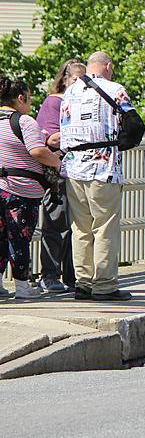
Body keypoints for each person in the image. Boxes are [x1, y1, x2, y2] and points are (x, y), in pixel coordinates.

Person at [59, 51, 134, 301]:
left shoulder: (70, 91)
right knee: (104, 226)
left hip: (73, 167)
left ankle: (83, 283)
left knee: (80, 227)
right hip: (103, 168)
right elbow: (134, 124)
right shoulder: (114, 89)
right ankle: (104, 285)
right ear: (108, 66)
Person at [0, 75, 63, 299]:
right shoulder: (25, 121)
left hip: (1, 187)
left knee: (1, 237)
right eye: (29, 98)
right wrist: (56, 161)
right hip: (21, 190)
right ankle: (22, 287)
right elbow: (37, 151)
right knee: (20, 237)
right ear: (20, 97)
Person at [35, 59, 85, 293]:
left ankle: (72, 276)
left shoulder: (83, 101)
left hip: (79, 169)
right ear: (65, 79)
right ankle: (50, 275)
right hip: (58, 171)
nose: (80, 84)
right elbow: (49, 138)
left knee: (77, 225)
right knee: (56, 223)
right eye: (76, 78)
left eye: (84, 79)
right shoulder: (54, 102)